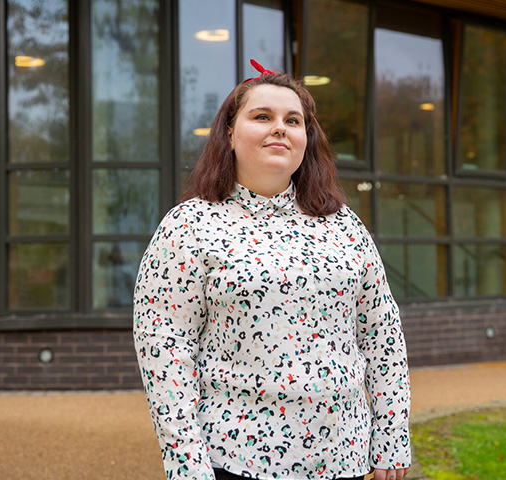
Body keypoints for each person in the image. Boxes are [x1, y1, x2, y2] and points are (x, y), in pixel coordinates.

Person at [133, 60, 411, 480]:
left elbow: (381, 333)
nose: (279, 128)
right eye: (262, 116)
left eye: (293, 120)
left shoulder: (343, 225)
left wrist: (391, 438)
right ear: (229, 133)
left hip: (345, 460)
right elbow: (164, 349)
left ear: (305, 138)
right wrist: (186, 462)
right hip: (235, 461)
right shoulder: (189, 226)